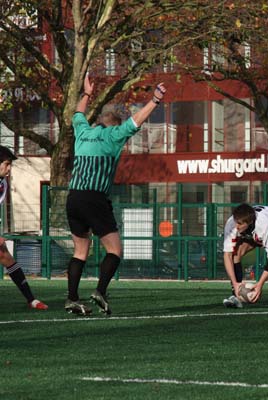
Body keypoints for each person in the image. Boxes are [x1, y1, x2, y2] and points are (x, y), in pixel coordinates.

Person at [64, 74, 167, 316]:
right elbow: (136, 121)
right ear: (115, 125)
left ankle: (72, 299)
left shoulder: (83, 132)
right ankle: (100, 291)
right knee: (114, 250)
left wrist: (87, 93)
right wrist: (155, 100)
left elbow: (77, 114)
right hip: (94, 198)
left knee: (80, 251)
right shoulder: (114, 135)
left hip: (73, 197)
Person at [0, 145, 48, 310]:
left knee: (5, 257)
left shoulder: (3, 184)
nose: (9, 168)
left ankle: (31, 300)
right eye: (7, 164)